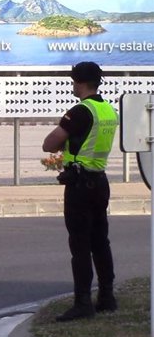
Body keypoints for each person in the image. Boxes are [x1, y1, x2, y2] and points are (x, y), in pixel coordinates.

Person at [42, 61, 119, 322]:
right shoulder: (108, 110)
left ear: (80, 82)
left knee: (80, 246)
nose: (72, 85)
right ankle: (107, 297)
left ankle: (83, 302)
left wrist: (66, 138)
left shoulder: (80, 111)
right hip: (100, 182)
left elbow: (48, 144)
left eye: (74, 80)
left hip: (80, 185)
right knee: (101, 242)